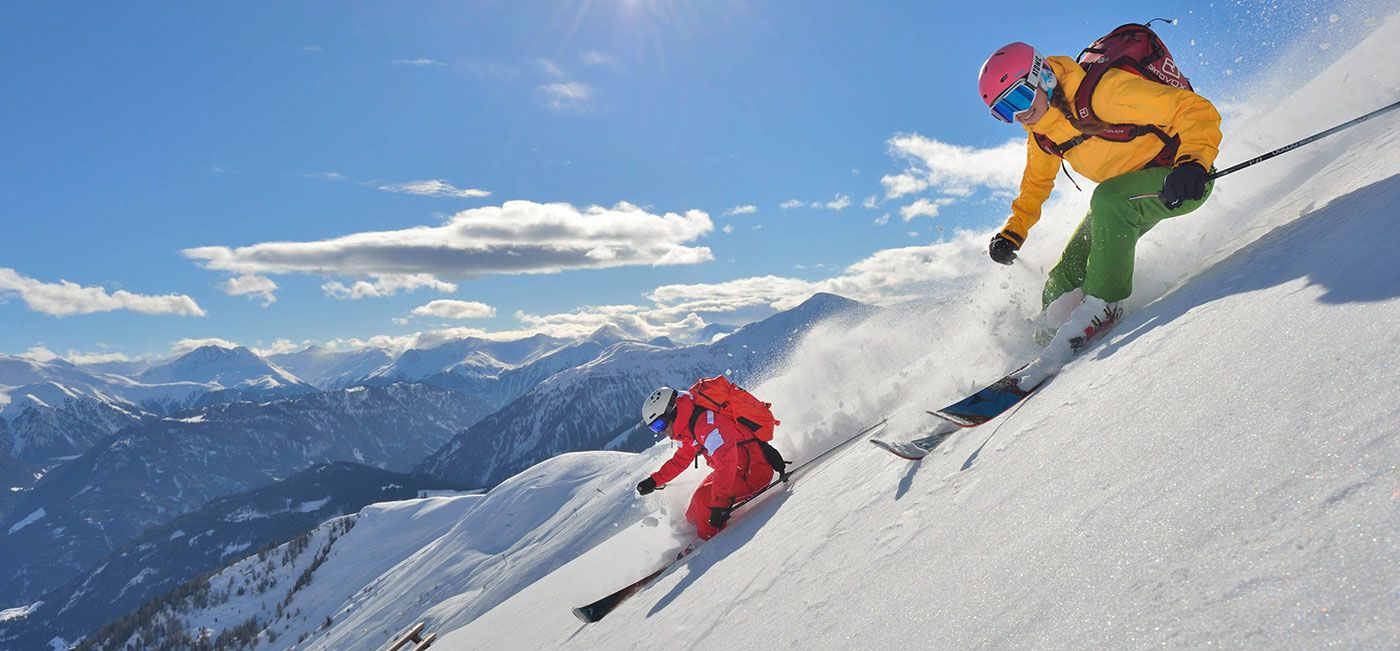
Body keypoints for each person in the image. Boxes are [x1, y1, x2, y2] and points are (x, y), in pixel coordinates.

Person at [977, 41, 1222, 386]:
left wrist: (1194, 163)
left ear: (1042, 76)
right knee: (1062, 278)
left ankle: (1103, 305)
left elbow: (1194, 109)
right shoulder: (1043, 134)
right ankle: (1046, 344)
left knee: (1107, 200)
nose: (1018, 115)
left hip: (1181, 179)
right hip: (1126, 195)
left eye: (1018, 99)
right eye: (1004, 112)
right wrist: (1012, 232)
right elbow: (1035, 185)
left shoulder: (1103, 95)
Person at [635, 386, 775, 540]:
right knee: (693, 513)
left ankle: (710, 545)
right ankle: (697, 536)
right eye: (654, 428)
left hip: (753, 472)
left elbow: (726, 460)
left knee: (703, 501)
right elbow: (681, 460)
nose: (661, 431)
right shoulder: (688, 428)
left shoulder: (707, 424)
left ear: (672, 411)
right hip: (735, 471)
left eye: (660, 424)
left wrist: (720, 504)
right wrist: (655, 480)